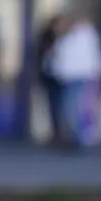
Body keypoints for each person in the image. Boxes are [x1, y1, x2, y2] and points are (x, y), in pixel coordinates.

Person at [50, 13, 101, 150]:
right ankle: (74, 136)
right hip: (68, 77)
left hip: (77, 77)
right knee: (70, 108)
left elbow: (83, 58)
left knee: (72, 107)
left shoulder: (82, 37)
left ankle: (77, 138)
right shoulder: (68, 38)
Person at [36, 15, 64, 145]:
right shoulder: (47, 37)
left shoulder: (65, 37)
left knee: (62, 106)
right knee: (54, 105)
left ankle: (61, 133)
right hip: (51, 76)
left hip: (63, 76)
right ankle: (56, 133)